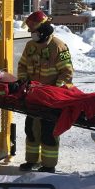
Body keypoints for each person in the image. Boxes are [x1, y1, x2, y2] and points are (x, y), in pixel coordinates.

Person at [17, 11, 73, 173]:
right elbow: (22, 65)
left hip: (51, 99)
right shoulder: (30, 46)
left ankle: (48, 165)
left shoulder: (58, 46)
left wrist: (55, 90)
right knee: (32, 129)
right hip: (33, 96)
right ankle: (31, 161)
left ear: (43, 30)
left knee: (49, 132)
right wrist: (23, 82)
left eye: (33, 32)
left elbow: (67, 73)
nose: (31, 35)